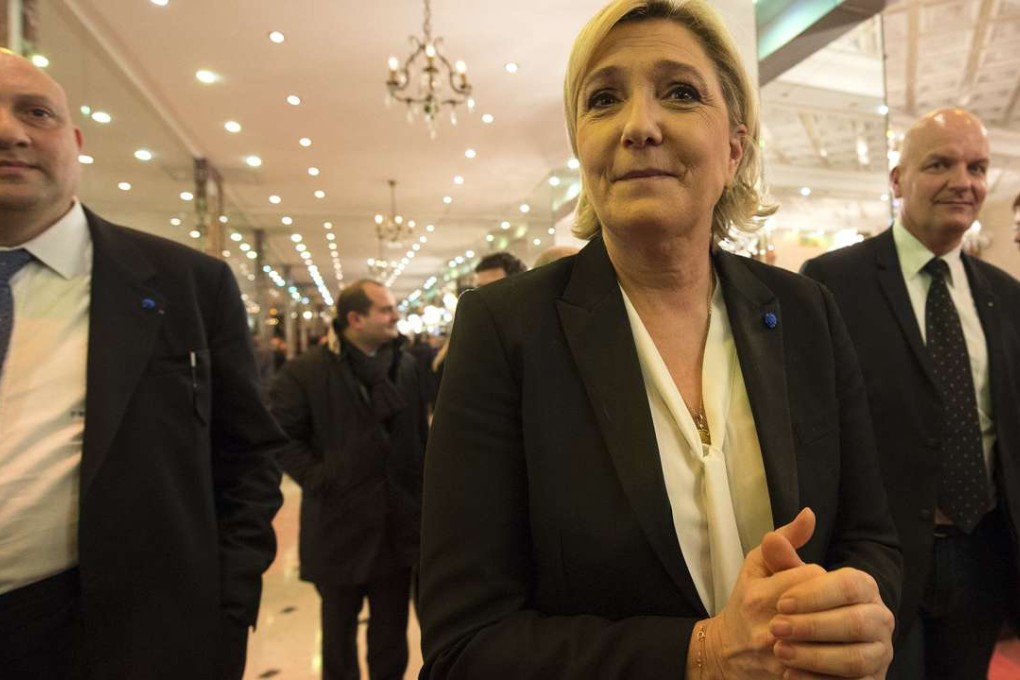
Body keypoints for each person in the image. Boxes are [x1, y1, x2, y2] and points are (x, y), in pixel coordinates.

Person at [417, 1, 900, 678]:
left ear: (733, 148)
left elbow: (870, 537)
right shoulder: (505, 331)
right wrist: (698, 655)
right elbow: (462, 647)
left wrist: (855, 612)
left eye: (679, 92)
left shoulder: (803, 311)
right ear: (582, 147)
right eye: (604, 98)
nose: (639, 126)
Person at [0, 50, 285, 678]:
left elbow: (247, 458)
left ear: (74, 141)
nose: (9, 131)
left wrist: (224, 614)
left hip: (126, 634)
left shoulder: (187, 284)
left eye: (35, 112)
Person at [802, 108, 1020, 679]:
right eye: (940, 164)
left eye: (977, 167)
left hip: (983, 556)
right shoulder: (829, 283)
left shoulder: (1005, 296)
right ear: (898, 180)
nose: (963, 182)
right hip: (879, 559)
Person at [270, 279, 429, 680]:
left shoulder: (404, 366)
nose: (395, 316)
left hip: (397, 527)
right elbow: (281, 438)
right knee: (338, 633)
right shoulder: (305, 372)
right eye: (386, 309)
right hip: (338, 526)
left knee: (391, 633)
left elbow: (418, 439)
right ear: (355, 319)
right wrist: (323, 477)